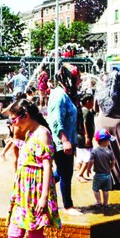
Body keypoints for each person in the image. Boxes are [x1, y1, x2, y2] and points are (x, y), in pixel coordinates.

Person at [7, 99, 61, 238]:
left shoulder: (43, 133)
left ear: (25, 115)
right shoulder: (29, 133)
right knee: (14, 234)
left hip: (35, 192)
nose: (14, 124)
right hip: (23, 190)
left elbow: (47, 165)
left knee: (35, 237)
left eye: (14, 119)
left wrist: (44, 197)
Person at [47, 64, 81, 215]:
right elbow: (55, 120)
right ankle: (68, 206)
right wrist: (65, 140)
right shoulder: (59, 95)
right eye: (77, 78)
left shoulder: (66, 94)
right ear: (68, 78)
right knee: (66, 173)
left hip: (68, 141)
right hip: (61, 142)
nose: (79, 81)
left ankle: (38, 188)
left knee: (62, 172)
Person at [89, 129, 117, 206]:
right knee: (105, 190)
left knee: (95, 189)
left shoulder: (94, 151)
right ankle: (105, 203)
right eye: (108, 140)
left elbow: (91, 161)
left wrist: (88, 169)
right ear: (105, 141)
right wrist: (111, 167)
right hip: (107, 175)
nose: (109, 142)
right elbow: (113, 161)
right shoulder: (109, 152)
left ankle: (98, 201)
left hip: (98, 175)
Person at [76, 94, 95, 182]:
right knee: (89, 157)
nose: (93, 103)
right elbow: (84, 123)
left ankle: (80, 175)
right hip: (84, 137)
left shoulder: (80, 110)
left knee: (80, 157)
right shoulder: (86, 112)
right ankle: (80, 174)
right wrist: (87, 136)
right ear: (88, 102)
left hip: (79, 137)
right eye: (92, 101)